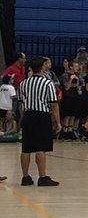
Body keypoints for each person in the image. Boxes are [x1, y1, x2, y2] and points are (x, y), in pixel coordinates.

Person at [16, 57, 61, 186]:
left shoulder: (23, 83)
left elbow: (20, 104)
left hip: (28, 115)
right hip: (41, 116)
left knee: (26, 148)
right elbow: (53, 104)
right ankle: (42, 177)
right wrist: (57, 122)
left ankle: (25, 177)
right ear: (42, 68)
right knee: (41, 147)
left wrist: (22, 117)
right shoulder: (47, 83)